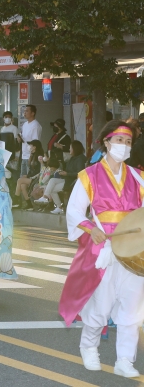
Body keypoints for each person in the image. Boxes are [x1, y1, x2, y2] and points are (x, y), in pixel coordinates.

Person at [59, 121, 144, 378]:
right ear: (106, 142)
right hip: (104, 247)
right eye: (119, 141)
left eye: (128, 142)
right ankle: (89, 348)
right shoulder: (90, 175)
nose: (124, 146)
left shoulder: (139, 177)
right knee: (101, 306)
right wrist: (89, 227)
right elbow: (74, 210)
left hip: (133, 252)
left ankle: (125, 361)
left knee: (132, 308)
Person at [13, 140, 44, 209]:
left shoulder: (39, 156)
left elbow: (39, 170)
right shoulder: (33, 155)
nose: (29, 147)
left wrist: (29, 176)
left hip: (37, 178)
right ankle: (29, 205)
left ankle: (16, 200)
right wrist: (27, 176)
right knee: (23, 186)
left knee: (19, 180)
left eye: (31, 145)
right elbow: (31, 168)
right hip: (32, 177)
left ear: (35, 147)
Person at [17, 105, 42, 177]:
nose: (24, 113)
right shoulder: (25, 124)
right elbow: (24, 138)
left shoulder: (36, 125)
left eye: (27, 111)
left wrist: (31, 157)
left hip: (31, 157)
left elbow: (35, 143)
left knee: (29, 178)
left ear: (33, 113)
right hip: (24, 155)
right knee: (22, 178)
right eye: (24, 111)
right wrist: (20, 139)